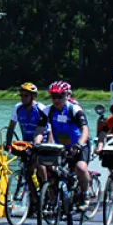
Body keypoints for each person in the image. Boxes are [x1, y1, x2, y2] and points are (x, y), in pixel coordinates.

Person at [34, 81, 91, 209]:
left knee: (80, 168)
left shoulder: (74, 109)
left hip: (80, 144)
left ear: (67, 96)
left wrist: (79, 145)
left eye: (60, 96)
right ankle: (55, 197)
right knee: (50, 167)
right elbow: (40, 130)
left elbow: (85, 130)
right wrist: (36, 144)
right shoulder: (48, 110)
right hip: (62, 146)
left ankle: (85, 195)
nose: (56, 99)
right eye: (53, 96)